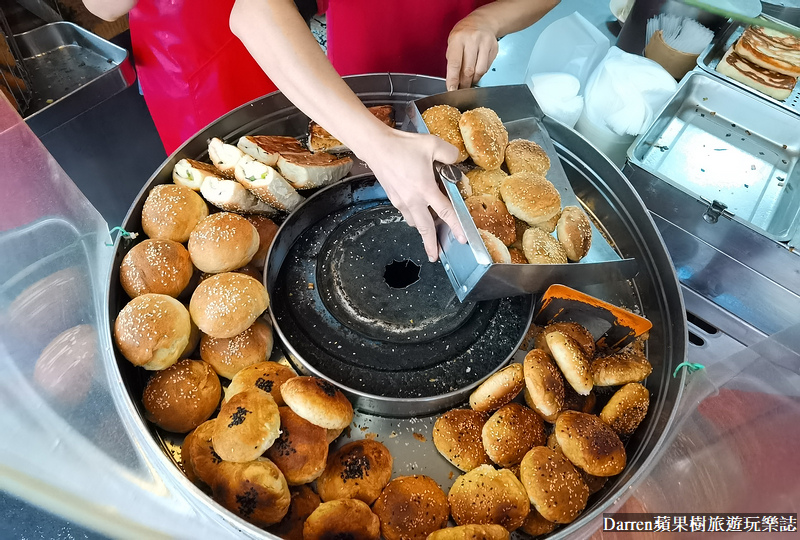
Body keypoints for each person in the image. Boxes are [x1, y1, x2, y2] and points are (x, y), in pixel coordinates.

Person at [83, 0, 558, 260]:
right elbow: (255, 11)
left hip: (448, 79)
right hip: (327, 85)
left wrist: (489, 18)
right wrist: (381, 145)